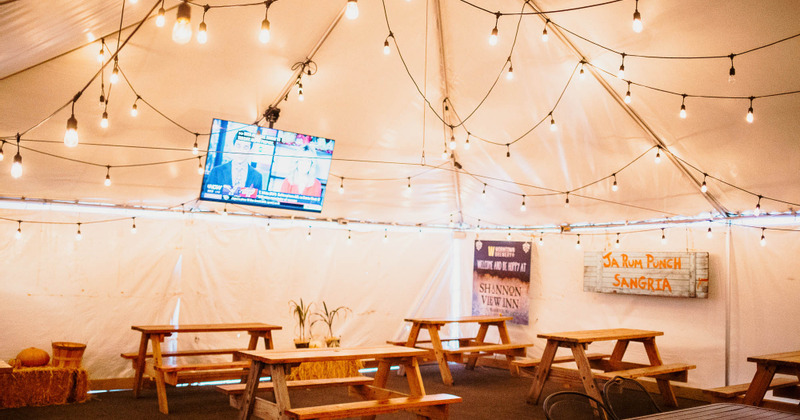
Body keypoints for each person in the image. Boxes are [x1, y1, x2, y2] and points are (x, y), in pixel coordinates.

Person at [206, 131, 263, 197]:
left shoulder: (257, 176)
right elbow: (207, 196)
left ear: (250, 150)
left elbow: (256, 203)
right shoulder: (216, 171)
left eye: (246, 147)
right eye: (238, 146)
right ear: (233, 147)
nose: (241, 151)